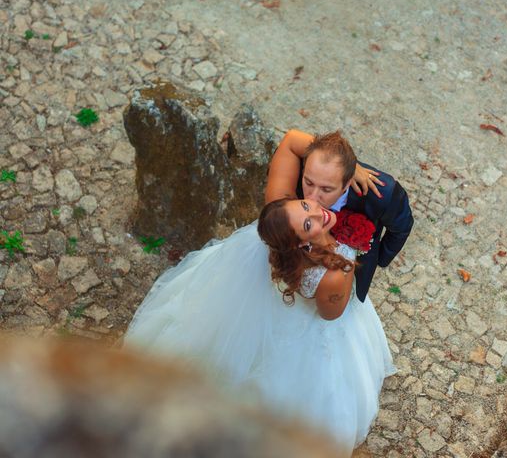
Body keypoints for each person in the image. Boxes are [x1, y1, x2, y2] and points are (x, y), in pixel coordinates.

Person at [124, 196, 396, 453]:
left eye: (304, 204)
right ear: (301, 243)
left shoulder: (285, 251)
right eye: (308, 223)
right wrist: (350, 253)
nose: (317, 211)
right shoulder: (335, 276)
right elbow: (332, 315)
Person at [265, 129, 413, 302]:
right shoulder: (299, 169)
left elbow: (402, 228)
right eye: (308, 183)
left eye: (327, 189)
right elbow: (292, 139)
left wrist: (378, 259)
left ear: (347, 184)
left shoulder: (384, 194)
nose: (312, 199)